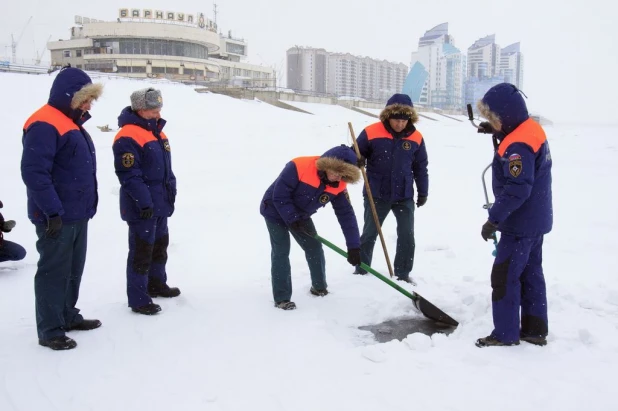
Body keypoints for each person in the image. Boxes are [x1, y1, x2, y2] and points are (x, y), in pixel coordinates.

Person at [21, 67, 103, 351]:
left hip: (76, 213)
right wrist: (52, 211)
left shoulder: (69, 121)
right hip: (55, 216)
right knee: (54, 272)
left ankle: (67, 314)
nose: (89, 105)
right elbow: (34, 172)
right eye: (85, 99)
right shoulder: (45, 123)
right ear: (69, 96)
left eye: (91, 99)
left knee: (72, 270)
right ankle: (50, 329)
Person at [474, 83, 553, 348]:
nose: (490, 122)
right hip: (536, 219)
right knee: (531, 274)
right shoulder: (529, 129)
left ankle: (505, 334)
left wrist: (493, 219)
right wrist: (496, 131)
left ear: (504, 116)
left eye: (491, 118)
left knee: (504, 276)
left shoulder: (518, 144)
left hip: (519, 224)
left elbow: (517, 188)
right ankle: (535, 329)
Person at [260, 145, 362, 310]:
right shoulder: (298, 166)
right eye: (336, 172)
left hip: (301, 215)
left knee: (314, 247)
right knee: (281, 250)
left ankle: (319, 287)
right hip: (273, 210)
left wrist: (354, 246)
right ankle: (282, 298)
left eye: (342, 175)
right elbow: (279, 195)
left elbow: (346, 215)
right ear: (326, 166)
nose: (338, 178)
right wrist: (292, 218)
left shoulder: (339, 185)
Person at [113, 88, 179, 316]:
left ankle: (156, 283)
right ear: (140, 109)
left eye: (159, 108)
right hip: (142, 207)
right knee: (141, 251)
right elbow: (129, 175)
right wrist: (144, 202)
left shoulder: (159, 133)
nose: (157, 113)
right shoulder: (127, 135)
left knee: (160, 246)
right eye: (153, 109)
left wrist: (171, 193)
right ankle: (139, 298)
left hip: (160, 204)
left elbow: (166, 171)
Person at [353, 93, 428, 284]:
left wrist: (423, 191)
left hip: (404, 195)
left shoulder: (416, 137)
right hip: (376, 193)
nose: (400, 124)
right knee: (370, 233)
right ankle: (362, 269)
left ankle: (402, 273)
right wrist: (356, 158)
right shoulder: (371, 132)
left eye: (404, 120)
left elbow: (420, 167)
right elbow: (352, 153)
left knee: (407, 235)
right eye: (396, 119)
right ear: (388, 116)